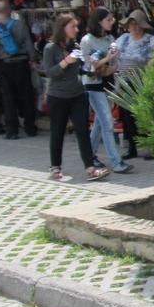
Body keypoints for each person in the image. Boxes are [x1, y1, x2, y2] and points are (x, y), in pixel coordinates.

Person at [43, 13, 109, 182]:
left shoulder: (75, 45)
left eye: (77, 26)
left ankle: (90, 168)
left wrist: (92, 69)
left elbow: (80, 69)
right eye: (73, 26)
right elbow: (49, 72)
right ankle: (55, 166)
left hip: (77, 94)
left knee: (82, 131)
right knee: (58, 131)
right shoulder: (51, 48)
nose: (76, 29)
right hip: (57, 96)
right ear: (63, 28)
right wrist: (66, 62)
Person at [80, 8, 133, 174]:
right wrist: (109, 59)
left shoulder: (110, 38)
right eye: (108, 19)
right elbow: (91, 65)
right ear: (99, 21)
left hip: (109, 82)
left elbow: (114, 64)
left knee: (100, 122)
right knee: (108, 123)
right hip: (93, 85)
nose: (112, 22)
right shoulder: (87, 40)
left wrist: (111, 63)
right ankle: (116, 162)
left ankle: (90, 155)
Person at [0, 0, 38, 139]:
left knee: (8, 98)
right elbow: (29, 44)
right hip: (21, 64)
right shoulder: (20, 25)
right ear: (10, 10)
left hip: (4, 66)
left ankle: (12, 131)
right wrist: (33, 60)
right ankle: (30, 128)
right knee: (26, 96)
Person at [114, 9, 154, 160]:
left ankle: (152, 148)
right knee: (127, 117)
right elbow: (112, 53)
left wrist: (150, 63)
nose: (134, 27)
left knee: (145, 116)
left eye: (136, 24)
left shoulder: (151, 40)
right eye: (131, 24)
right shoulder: (123, 39)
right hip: (125, 82)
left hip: (142, 82)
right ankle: (132, 148)